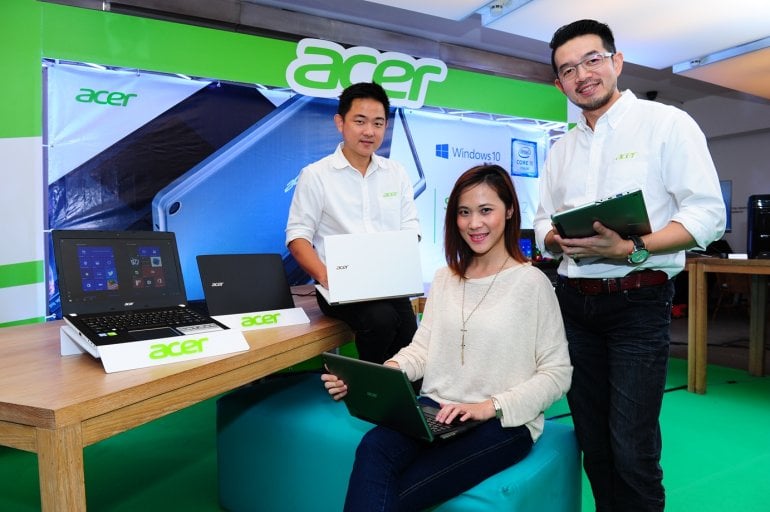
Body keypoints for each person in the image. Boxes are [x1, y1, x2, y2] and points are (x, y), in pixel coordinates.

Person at [534, 19, 726, 512]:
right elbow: (541, 221)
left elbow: (708, 216)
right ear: (559, 84)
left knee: (632, 449)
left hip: (638, 303)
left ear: (616, 61)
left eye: (592, 60)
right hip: (573, 307)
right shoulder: (560, 149)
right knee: (593, 443)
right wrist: (554, 238)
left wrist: (632, 248)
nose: (582, 75)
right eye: (568, 70)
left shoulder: (667, 124)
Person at [323, 164, 572, 511]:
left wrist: (489, 407)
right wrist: (385, 374)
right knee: (372, 448)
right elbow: (423, 349)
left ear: (509, 210)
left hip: (502, 422)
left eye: (486, 210)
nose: (474, 223)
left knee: (400, 492)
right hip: (435, 410)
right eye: (464, 212)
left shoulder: (532, 284)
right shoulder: (445, 278)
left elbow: (557, 373)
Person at [285, 82, 421, 363]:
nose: (369, 131)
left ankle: (398, 387)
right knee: (381, 320)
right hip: (338, 287)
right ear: (340, 123)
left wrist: (401, 257)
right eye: (360, 121)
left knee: (410, 337)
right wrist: (327, 276)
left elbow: (411, 228)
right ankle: (366, 385)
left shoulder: (396, 173)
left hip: (387, 283)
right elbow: (298, 237)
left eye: (378, 123)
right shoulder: (316, 175)